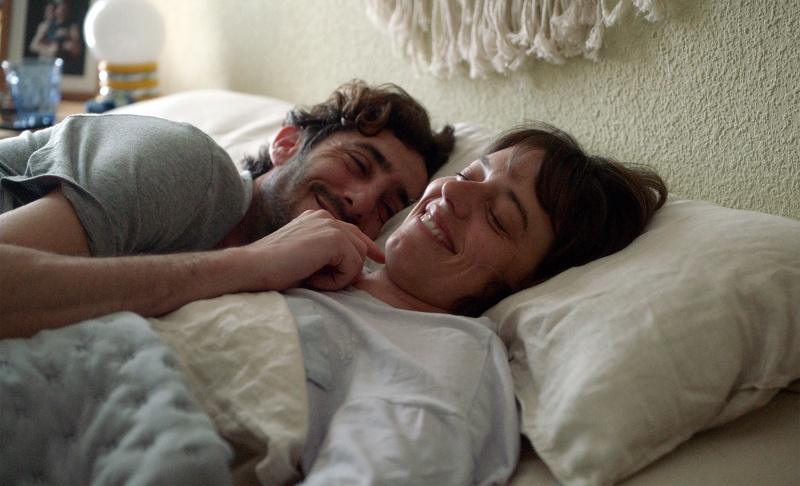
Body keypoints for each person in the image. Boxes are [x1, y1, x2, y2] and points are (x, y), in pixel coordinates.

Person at [0, 121, 668, 484]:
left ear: (522, 283)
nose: (452, 195)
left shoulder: (446, 357)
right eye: (470, 174)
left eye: (500, 217)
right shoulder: (288, 245)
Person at [0, 80, 455, 338]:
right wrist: (253, 263)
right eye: (356, 164)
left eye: (388, 207)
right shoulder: (188, 166)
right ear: (286, 143)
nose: (362, 202)